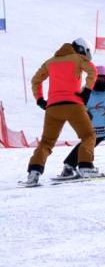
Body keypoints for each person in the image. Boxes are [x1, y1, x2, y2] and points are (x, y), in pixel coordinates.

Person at [23, 38, 100, 186]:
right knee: (88, 135)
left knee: (46, 142)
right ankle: (86, 167)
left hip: (52, 108)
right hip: (74, 105)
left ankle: (34, 172)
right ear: (82, 49)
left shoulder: (50, 62)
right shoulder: (78, 59)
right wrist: (87, 91)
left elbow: (35, 80)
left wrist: (39, 99)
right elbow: (93, 71)